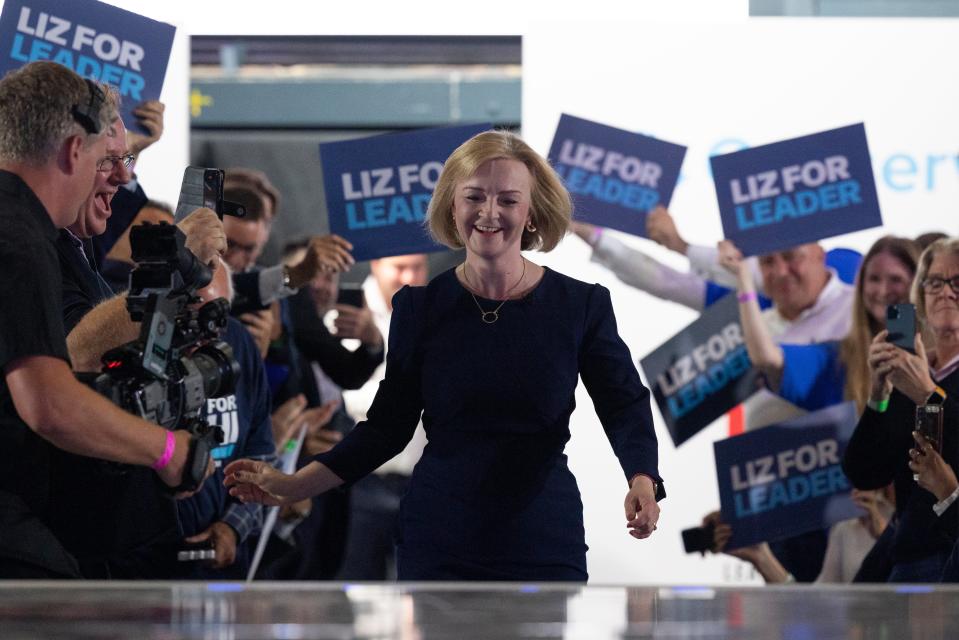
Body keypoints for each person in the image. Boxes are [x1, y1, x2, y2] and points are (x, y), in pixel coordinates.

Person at [225, 129, 664, 581]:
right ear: (452, 209)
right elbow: (384, 430)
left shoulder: (580, 305)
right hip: (440, 537)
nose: (489, 213)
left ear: (532, 214)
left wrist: (642, 479)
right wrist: (292, 485)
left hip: (542, 534)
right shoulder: (419, 308)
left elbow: (623, 401)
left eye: (508, 200)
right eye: (474, 196)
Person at [0, 61, 209, 578]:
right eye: (104, 158)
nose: (118, 175)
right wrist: (171, 452)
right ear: (75, 151)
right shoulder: (19, 237)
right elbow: (50, 404)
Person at [844, 238, 959, 582]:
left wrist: (927, 392)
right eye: (935, 282)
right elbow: (865, 473)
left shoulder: (921, 378)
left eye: (958, 282)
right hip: (909, 558)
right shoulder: (913, 367)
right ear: (920, 296)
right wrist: (880, 393)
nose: (946, 292)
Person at [721, 236, 920, 412]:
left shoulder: (937, 342)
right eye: (874, 279)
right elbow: (766, 356)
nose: (883, 290)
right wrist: (743, 278)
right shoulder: (841, 353)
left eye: (896, 280)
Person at [338, 253, 430, 579]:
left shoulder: (434, 317)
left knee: (422, 592)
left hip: (420, 483)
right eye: (400, 268)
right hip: (362, 481)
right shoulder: (347, 315)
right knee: (358, 588)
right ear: (375, 264)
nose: (408, 277)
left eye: (417, 268)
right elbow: (342, 398)